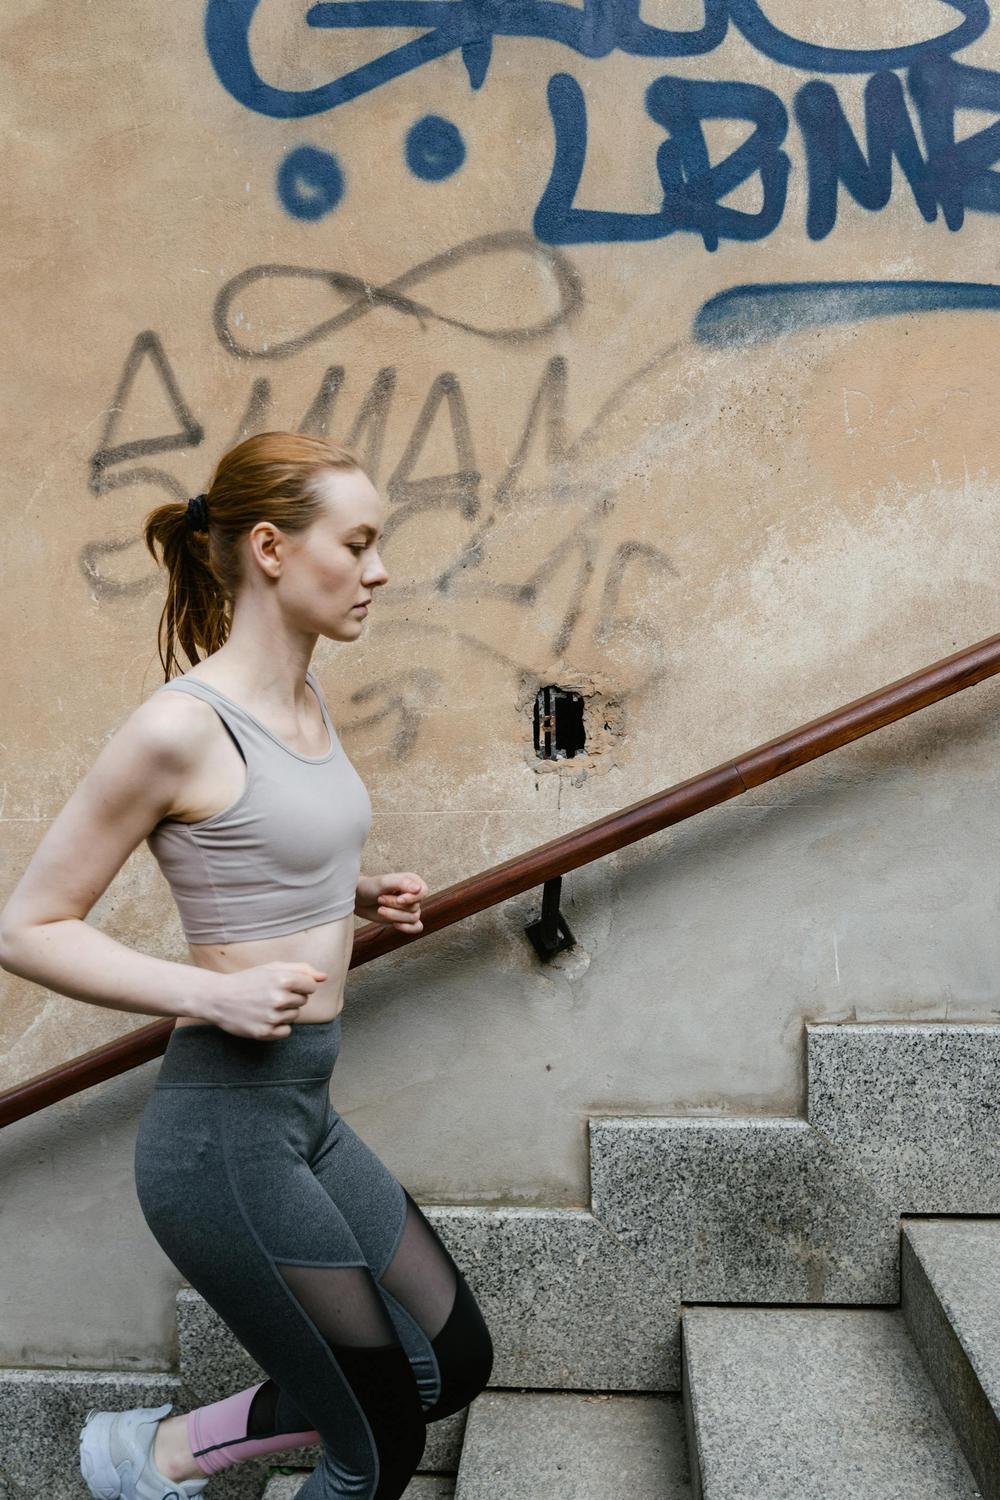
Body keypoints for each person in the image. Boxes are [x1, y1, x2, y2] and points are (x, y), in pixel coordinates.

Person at [0, 431, 494, 1500]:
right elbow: (28, 926)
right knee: (378, 1448)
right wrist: (210, 991)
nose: (379, 570)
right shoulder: (178, 728)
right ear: (270, 549)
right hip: (222, 1134)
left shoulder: (306, 701)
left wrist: (355, 892)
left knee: (450, 1362)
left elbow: (260, 842)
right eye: (355, 545)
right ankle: (167, 1456)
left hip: (304, 1112)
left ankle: (164, 1454)